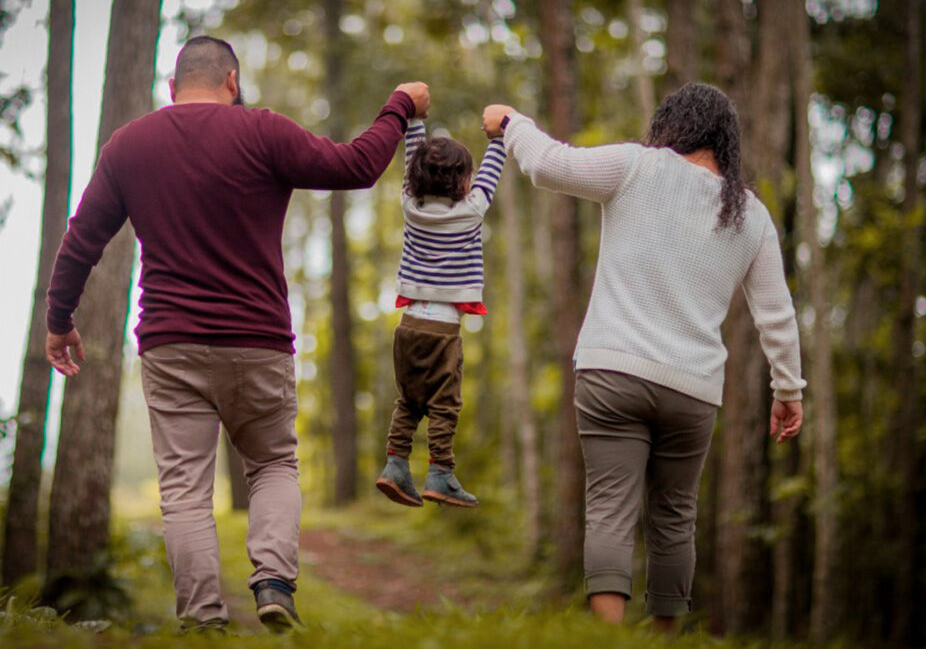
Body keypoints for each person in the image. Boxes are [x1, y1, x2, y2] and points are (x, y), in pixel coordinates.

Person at [44, 35, 430, 632]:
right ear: (232, 81)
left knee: (184, 492)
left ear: (172, 89)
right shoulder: (262, 131)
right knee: (273, 463)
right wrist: (399, 105)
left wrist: (59, 319)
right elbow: (356, 166)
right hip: (257, 340)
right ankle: (274, 581)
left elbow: (82, 240)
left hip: (170, 344)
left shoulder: (130, 145)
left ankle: (202, 620)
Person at [482, 83, 805, 630]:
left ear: (671, 125)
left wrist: (513, 122)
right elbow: (776, 313)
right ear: (726, 142)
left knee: (610, 509)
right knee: (675, 520)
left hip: (612, 372)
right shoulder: (750, 215)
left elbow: (548, 165)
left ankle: (610, 638)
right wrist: (789, 390)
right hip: (693, 390)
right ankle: (663, 639)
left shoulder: (636, 166)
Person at [374, 113, 507, 509]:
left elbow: (411, 156)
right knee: (444, 405)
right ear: (463, 182)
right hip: (443, 332)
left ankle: (395, 464)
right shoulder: (472, 210)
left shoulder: (409, 207)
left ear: (415, 179)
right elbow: (492, 169)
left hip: (408, 326)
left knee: (408, 402)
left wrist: (414, 121)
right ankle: (440, 473)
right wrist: (498, 137)